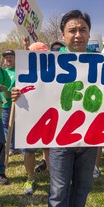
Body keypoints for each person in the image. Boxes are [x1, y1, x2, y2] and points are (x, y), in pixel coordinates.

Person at [11, 10, 104, 207]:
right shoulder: (47, 64)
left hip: (90, 141)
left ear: (89, 34)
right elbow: (35, 91)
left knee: (83, 188)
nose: (78, 34)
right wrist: (20, 94)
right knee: (59, 190)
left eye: (83, 30)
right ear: (63, 35)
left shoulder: (103, 64)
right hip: (60, 141)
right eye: (72, 30)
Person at [22, 40, 50, 194]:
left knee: (50, 148)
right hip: (31, 116)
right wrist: (15, 94)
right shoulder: (24, 73)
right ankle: (30, 178)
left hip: (51, 115)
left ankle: (55, 179)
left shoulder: (54, 71)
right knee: (30, 150)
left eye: (43, 55)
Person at [35, 40, 65, 174]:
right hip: (48, 108)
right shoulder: (45, 66)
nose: (57, 52)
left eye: (60, 49)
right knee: (47, 135)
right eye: (54, 49)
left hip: (65, 110)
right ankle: (46, 161)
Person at [0, 46, 11, 185]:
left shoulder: (2, 72)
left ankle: (0, 172)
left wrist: (4, 89)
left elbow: (9, 95)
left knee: (0, 143)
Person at [2, 50, 17, 155]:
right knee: (6, 127)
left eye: (11, 56)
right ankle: (11, 147)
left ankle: (13, 148)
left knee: (14, 127)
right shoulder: (3, 72)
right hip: (3, 105)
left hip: (14, 104)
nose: (8, 59)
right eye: (6, 57)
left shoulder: (19, 71)